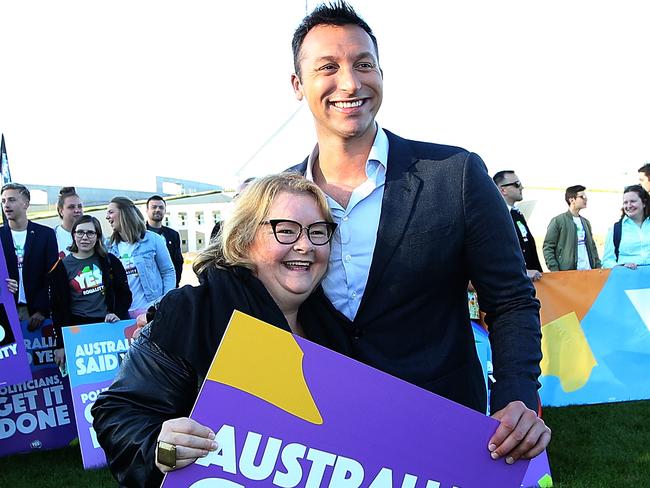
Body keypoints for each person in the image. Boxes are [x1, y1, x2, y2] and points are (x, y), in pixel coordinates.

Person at [289, 1, 549, 464]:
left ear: (382, 75)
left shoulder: (456, 174)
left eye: (363, 64)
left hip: (446, 429)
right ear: (297, 85)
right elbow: (242, 301)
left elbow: (510, 300)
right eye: (328, 67)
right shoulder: (276, 198)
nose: (349, 82)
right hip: (324, 437)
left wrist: (517, 395)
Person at [92, 173, 341, 486]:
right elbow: (118, 413)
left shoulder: (337, 327)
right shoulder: (191, 313)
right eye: (286, 231)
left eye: (318, 232)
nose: (305, 245)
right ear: (243, 238)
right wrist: (160, 446)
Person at [48, 215, 132, 368]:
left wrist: (116, 313)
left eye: (90, 233)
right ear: (73, 235)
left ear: (98, 236)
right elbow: (57, 309)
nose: (84, 237)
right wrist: (60, 345)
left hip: (109, 327)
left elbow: (125, 295)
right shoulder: (61, 267)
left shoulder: (110, 261)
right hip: (78, 331)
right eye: (80, 232)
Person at [1, 183, 58, 330]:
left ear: (25, 204)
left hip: (36, 314)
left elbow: (52, 276)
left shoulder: (46, 235)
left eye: (11, 200)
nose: (6, 205)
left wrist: (42, 310)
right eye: (3, 201)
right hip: (4, 312)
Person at [105, 196, 175, 316]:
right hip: (122, 315)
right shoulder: (108, 246)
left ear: (124, 213)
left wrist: (164, 303)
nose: (107, 217)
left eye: (111, 212)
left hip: (150, 311)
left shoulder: (153, 239)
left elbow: (168, 272)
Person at [493, 171, 543, 281]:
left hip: (530, 283)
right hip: (512, 286)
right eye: (517, 184)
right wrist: (523, 272)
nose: (521, 187)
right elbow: (497, 255)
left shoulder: (516, 213)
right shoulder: (494, 217)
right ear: (503, 190)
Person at [543, 185, 601, 271]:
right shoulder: (558, 221)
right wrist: (555, 270)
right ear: (572, 200)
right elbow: (548, 247)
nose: (586, 199)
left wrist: (598, 266)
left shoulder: (586, 223)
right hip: (569, 274)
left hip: (589, 272)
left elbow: (592, 247)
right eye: (582, 197)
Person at [602, 184, 650, 268]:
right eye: (625, 202)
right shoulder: (615, 229)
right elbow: (606, 261)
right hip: (627, 278)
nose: (628, 206)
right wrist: (621, 266)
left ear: (644, 203)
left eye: (633, 201)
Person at [145, 195, 184, 287]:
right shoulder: (139, 234)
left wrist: (174, 284)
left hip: (169, 286)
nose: (158, 210)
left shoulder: (173, 235)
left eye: (161, 207)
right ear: (147, 210)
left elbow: (178, 262)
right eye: (154, 207)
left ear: (165, 211)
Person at [54, 186, 84, 257]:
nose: (77, 210)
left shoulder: (93, 233)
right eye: (71, 207)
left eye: (79, 206)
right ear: (61, 211)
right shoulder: (52, 236)